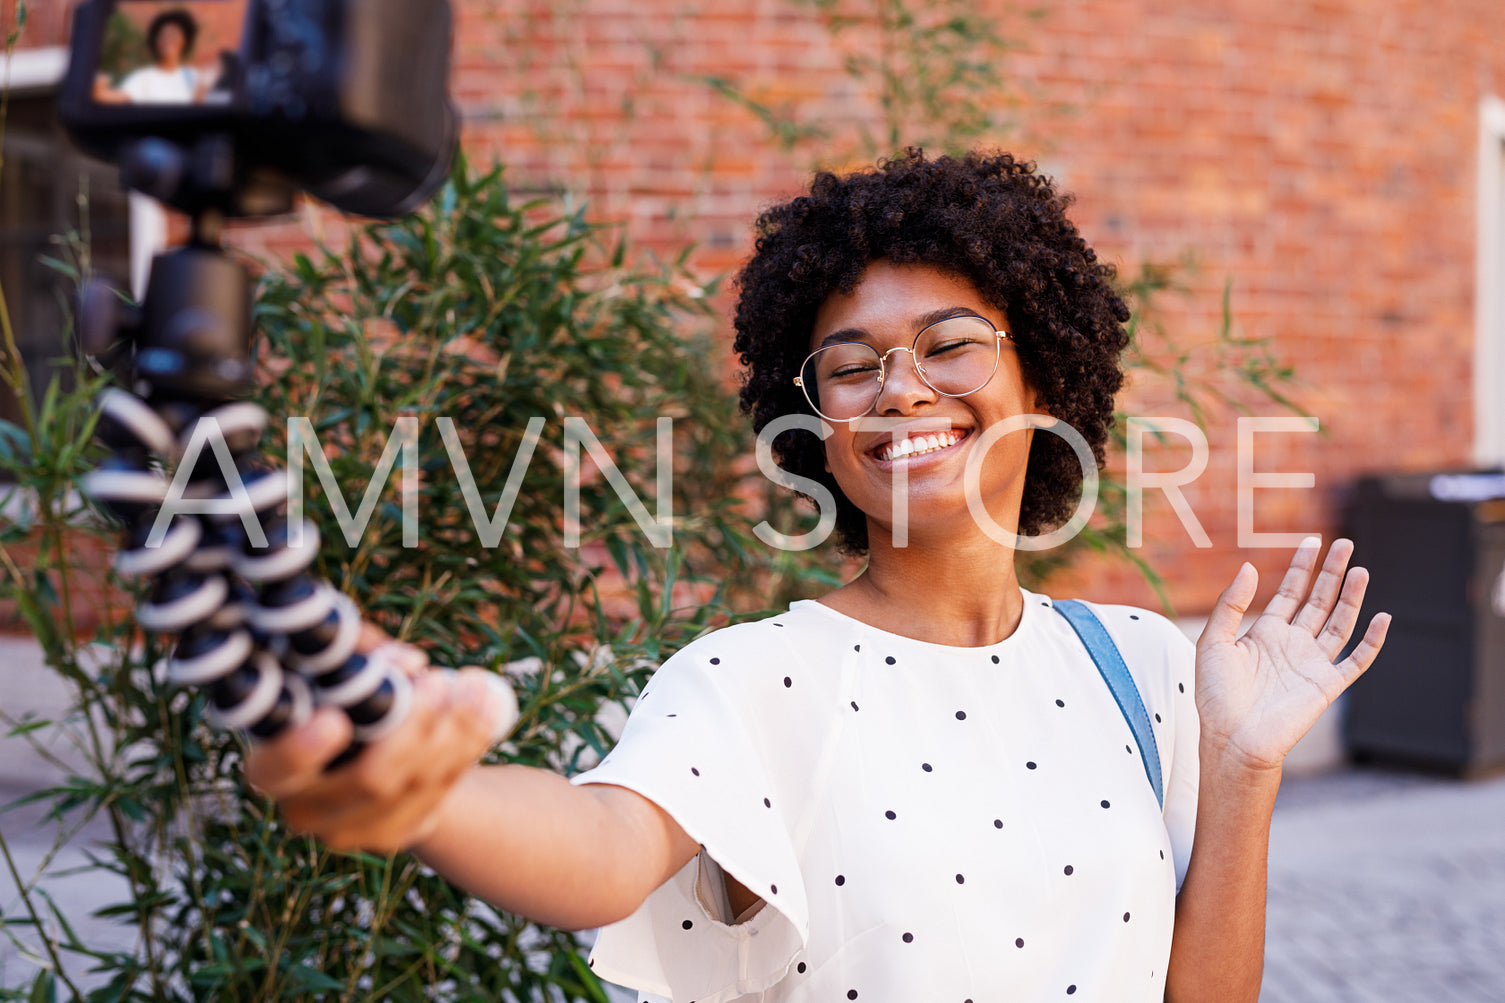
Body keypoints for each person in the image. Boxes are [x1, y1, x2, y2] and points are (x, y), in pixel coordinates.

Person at [246, 150, 1390, 1003]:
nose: (898, 390)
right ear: (815, 429)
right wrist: (426, 788)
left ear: (1041, 382)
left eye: (949, 345)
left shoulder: (1140, 663)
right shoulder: (759, 679)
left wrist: (1242, 766)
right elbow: (598, 851)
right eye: (850, 367)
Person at [93, 9, 216, 106]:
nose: (168, 39)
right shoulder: (143, 78)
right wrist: (98, 89)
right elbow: (118, 97)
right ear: (156, 42)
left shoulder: (195, 77)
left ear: (184, 40)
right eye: (163, 35)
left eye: (173, 34)